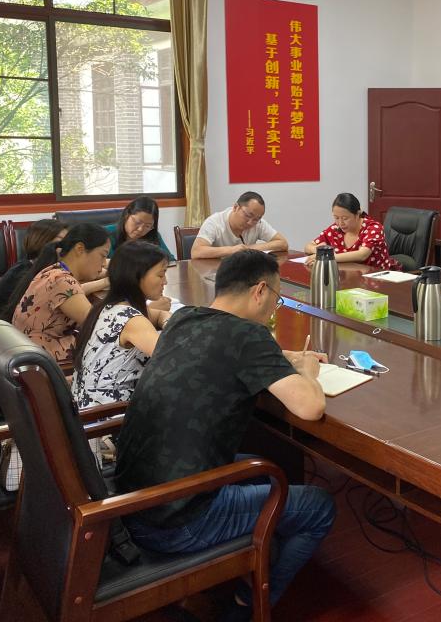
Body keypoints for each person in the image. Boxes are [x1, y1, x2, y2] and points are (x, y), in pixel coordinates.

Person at [114, 250, 335, 612]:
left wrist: (285, 358)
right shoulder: (249, 335)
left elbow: (220, 351)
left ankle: (258, 555)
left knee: (262, 466)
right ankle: (247, 605)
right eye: (276, 299)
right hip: (178, 520)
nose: (273, 308)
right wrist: (308, 371)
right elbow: (310, 408)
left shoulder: (184, 319)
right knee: (319, 506)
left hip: (133, 501)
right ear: (260, 291)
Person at [72, 241, 171, 410]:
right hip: (109, 418)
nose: (165, 281)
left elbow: (160, 315)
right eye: (161, 275)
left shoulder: (107, 307)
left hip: (86, 411)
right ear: (136, 277)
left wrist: (167, 321)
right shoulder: (132, 320)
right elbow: (172, 358)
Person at [9, 223, 110, 368]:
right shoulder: (62, 281)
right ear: (80, 249)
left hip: (29, 357)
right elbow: (101, 324)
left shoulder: (53, 270)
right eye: (103, 256)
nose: (104, 263)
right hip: (45, 366)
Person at [0, 218, 67, 319]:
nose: (67, 245)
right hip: (10, 326)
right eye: (62, 240)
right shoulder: (21, 273)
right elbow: (63, 293)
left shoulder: (44, 267)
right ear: (43, 240)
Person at [303, 192, 399, 270]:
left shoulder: (373, 228)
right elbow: (308, 246)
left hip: (377, 278)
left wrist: (327, 257)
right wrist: (317, 251)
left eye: (345, 218)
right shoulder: (335, 229)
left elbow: (362, 255)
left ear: (357, 214)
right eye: (336, 218)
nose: (340, 223)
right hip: (349, 277)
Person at [191, 191, 288, 259]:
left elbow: (283, 243)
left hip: (245, 272)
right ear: (235, 207)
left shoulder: (258, 223)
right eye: (248, 215)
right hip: (217, 272)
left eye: (256, 219)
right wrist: (232, 250)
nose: (250, 222)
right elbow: (196, 252)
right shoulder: (214, 222)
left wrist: (248, 249)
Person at [105, 196, 175, 260]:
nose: (140, 229)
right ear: (127, 215)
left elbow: (170, 260)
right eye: (137, 222)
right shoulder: (105, 234)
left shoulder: (153, 235)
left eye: (147, 226)